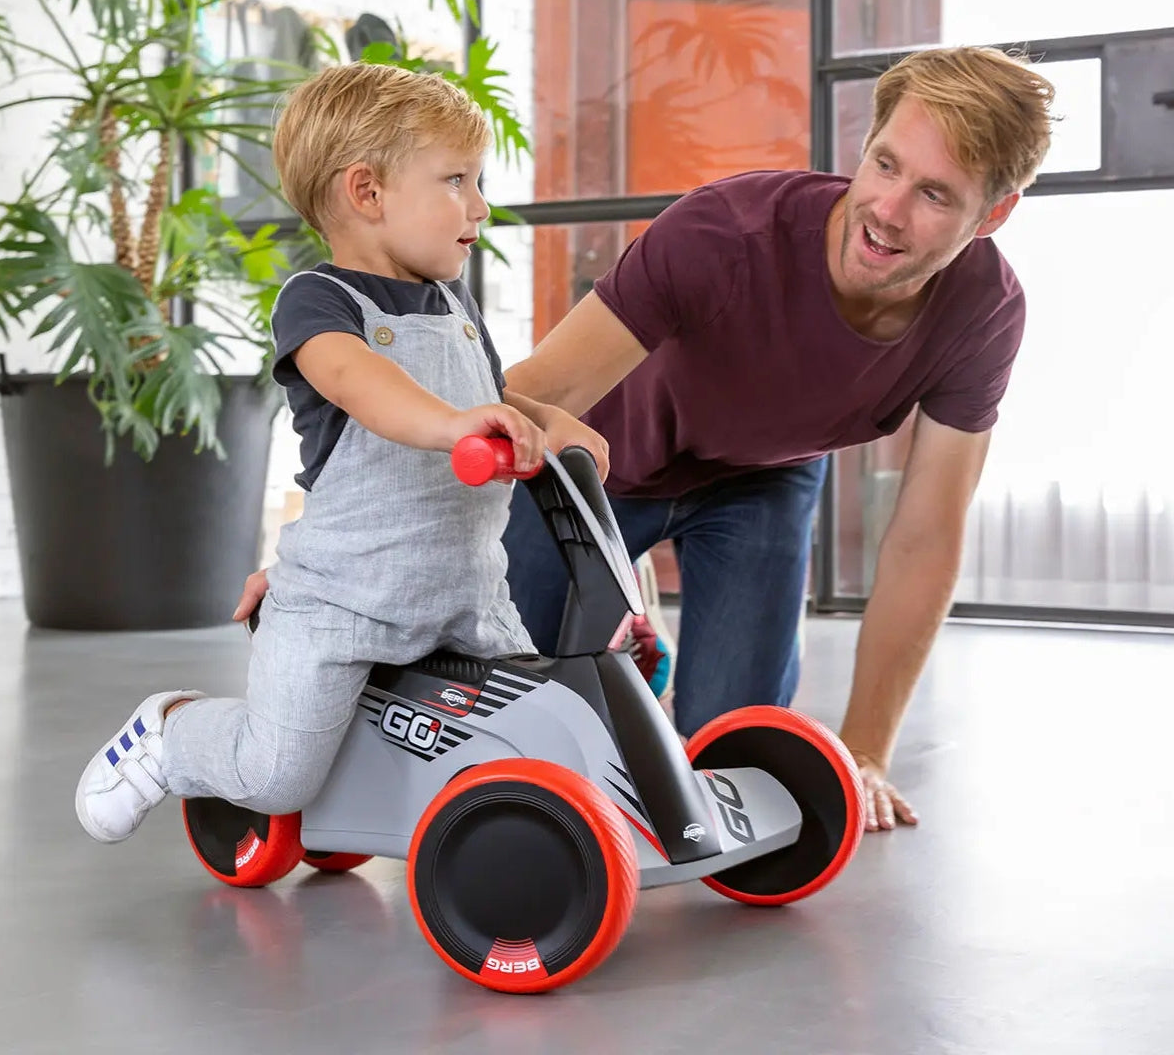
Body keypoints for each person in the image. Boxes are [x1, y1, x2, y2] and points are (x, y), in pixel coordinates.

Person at [234, 45, 1056, 834]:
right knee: (494, 708)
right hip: (595, 468)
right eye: (884, 164)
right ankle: (619, 645)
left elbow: (926, 534)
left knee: (729, 760)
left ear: (993, 213)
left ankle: (634, 656)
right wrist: (337, 558)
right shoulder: (723, 235)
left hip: (760, 481)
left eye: (935, 194)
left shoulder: (982, 314)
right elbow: (531, 394)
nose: (888, 209)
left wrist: (867, 752)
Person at [75, 63, 597, 844]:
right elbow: (363, 384)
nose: (480, 207)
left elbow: (491, 395)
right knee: (277, 774)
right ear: (367, 192)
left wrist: (552, 423)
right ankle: (170, 733)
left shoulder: (455, 306)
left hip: (468, 596)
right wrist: (455, 426)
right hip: (341, 604)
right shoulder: (318, 303)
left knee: (545, 727)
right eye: (457, 180)